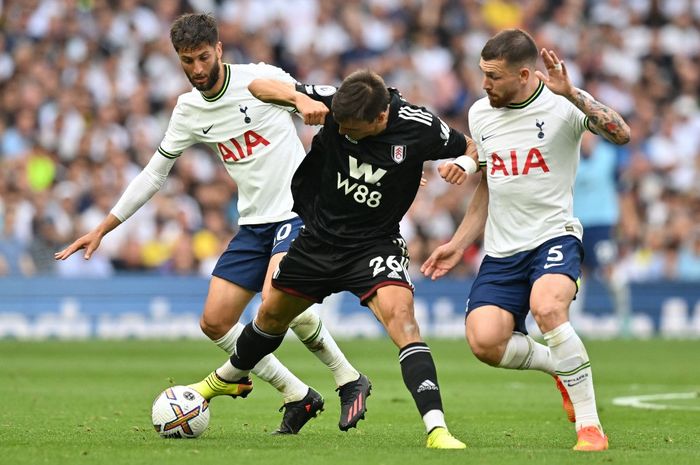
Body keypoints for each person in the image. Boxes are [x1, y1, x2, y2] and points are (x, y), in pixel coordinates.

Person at [54, 13, 366, 435]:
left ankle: (347, 378)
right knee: (215, 322)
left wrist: (377, 158)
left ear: (219, 49)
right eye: (187, 61)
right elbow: (153, 174)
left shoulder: (261, 79)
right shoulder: (187, 110)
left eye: (203, 57)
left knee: (277, 302)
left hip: (299, 213)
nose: (197, 70)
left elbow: (336, 104)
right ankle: (299, 395)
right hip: (254, 223)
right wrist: (104, 227)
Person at [191, 69, 477, 449]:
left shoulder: (420, 126)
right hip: (318, 240)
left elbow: (472, 147)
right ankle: (221, 380)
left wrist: (466, 165)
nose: (344, 133)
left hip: (375, 245)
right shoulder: (336, 100)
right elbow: (258, 87)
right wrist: (300, 100)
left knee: (402, 320)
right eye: (340, 125)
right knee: (270, 317)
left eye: (353, 129)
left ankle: (437, 430)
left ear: (381, 118)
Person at [421, 29, 630, 452]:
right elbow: (489, 184)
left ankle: (590, 429)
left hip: (554, 235)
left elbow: (621, 133)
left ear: (523, 73)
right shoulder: (481, 112)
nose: (485, 84)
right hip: (502, 248)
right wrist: (460, 242)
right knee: (484, 341)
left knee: (547, 307)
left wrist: (574, 94)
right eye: (483, 74)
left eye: (494, 76)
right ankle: (562, 367)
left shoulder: (562, 104)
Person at [572, 132, 632, 336]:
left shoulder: (609, 156)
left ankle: (624, 319)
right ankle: (572, 323)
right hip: (577, 222)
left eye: (590, 138)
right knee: (578, 273)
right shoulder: (570, 155)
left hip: (602, 222)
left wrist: (627, 220)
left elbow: (622, 190)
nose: (587, 142)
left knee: (608, 268)